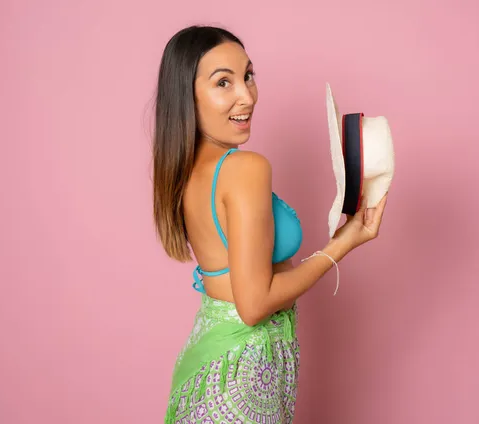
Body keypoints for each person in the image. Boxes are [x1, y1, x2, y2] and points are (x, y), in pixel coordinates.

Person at [152, 25, 388, 424]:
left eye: (247, 76)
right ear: (186, 97)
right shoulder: (244, 169)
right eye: (222, 82)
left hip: (212, 366)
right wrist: (342, 245)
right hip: (239, 381)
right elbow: (254, 305)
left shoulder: (188, 171)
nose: (246, 95)